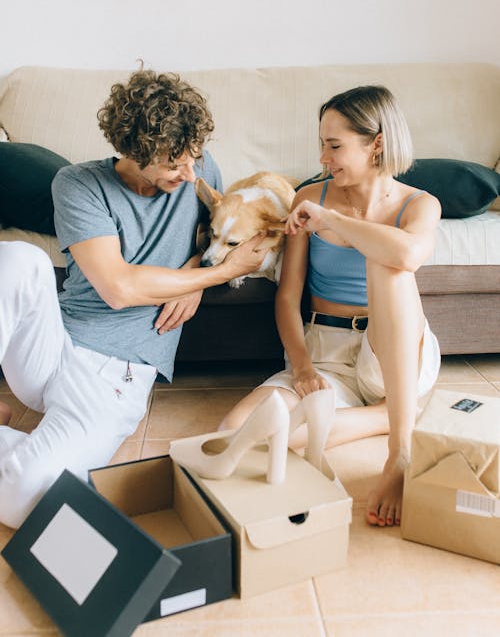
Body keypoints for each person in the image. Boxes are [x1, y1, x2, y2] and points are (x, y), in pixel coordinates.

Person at [0, 69, 267, 528]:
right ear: (132, 151)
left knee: (24, 500)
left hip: (116, 375)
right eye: (172, 165)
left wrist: (198, 274)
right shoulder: (77, 184)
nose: (189, 175)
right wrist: (222, 273)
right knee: (19, 258)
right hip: (52, 346)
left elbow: (216, 233)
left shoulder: (200, 168)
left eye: (194, 158)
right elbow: (119, 288)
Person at [220, 85, 441, 528]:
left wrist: (334, 222)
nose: (323, 158)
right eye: (322, 144)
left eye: (335, 146)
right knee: (236, 432)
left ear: (376, 143)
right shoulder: (310, 198)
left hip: (392, 351)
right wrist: (302, 368)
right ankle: (386, 415)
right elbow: (288, 296)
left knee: (387, 262)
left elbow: (409, 256)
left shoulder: (419, 204)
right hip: (325, 349)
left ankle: (400, 450)